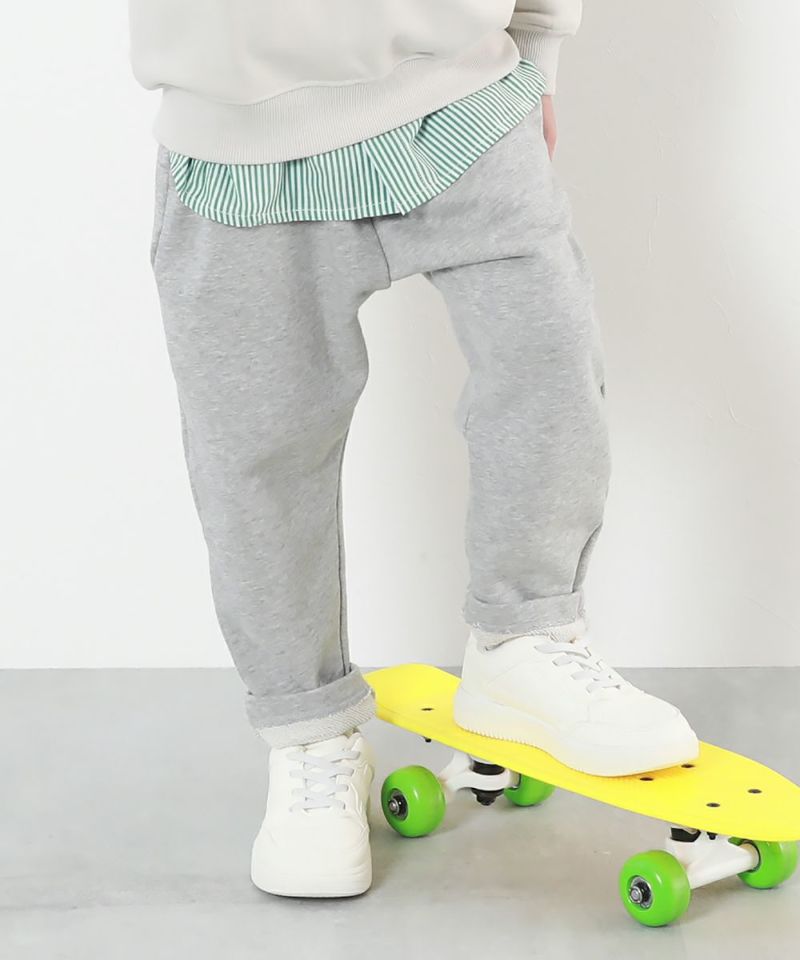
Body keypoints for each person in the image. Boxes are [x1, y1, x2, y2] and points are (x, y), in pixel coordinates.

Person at [129, 0, 699, 899]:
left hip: (464, 98)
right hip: (239, 147)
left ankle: (526, 636)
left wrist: (539, 45)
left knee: (547, 357)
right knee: (260, 455)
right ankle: (309, 730)